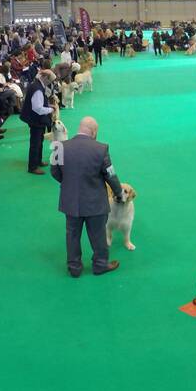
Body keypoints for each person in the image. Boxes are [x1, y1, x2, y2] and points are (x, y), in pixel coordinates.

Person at [55, 115, 131, 277]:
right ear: (94, 132)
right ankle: (100, 265)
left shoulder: (60, 147)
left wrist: (69, 184)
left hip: (70, 201)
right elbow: (110, 175)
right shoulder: (101, 149)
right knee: (98, 235)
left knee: (72, 234)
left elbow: (55, 172)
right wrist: (118, 192)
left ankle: (74, 267)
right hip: (95, 202)